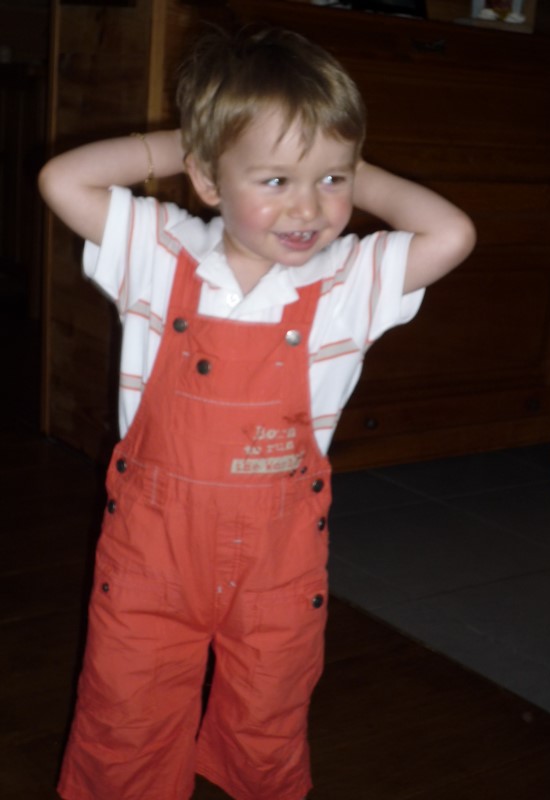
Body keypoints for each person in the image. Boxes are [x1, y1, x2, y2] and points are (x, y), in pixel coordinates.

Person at [38, 24, 476, 800]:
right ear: (208, 179)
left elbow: (453, 233)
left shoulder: (347, 280)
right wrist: (200, 143)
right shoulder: (161, 250)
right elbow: (62, 179)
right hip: (152, 555)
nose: (308, 207)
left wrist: (334, 162)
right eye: (275, 180)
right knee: (126, 713)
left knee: (267, 717)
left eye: (332, 180)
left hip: (278, 564)